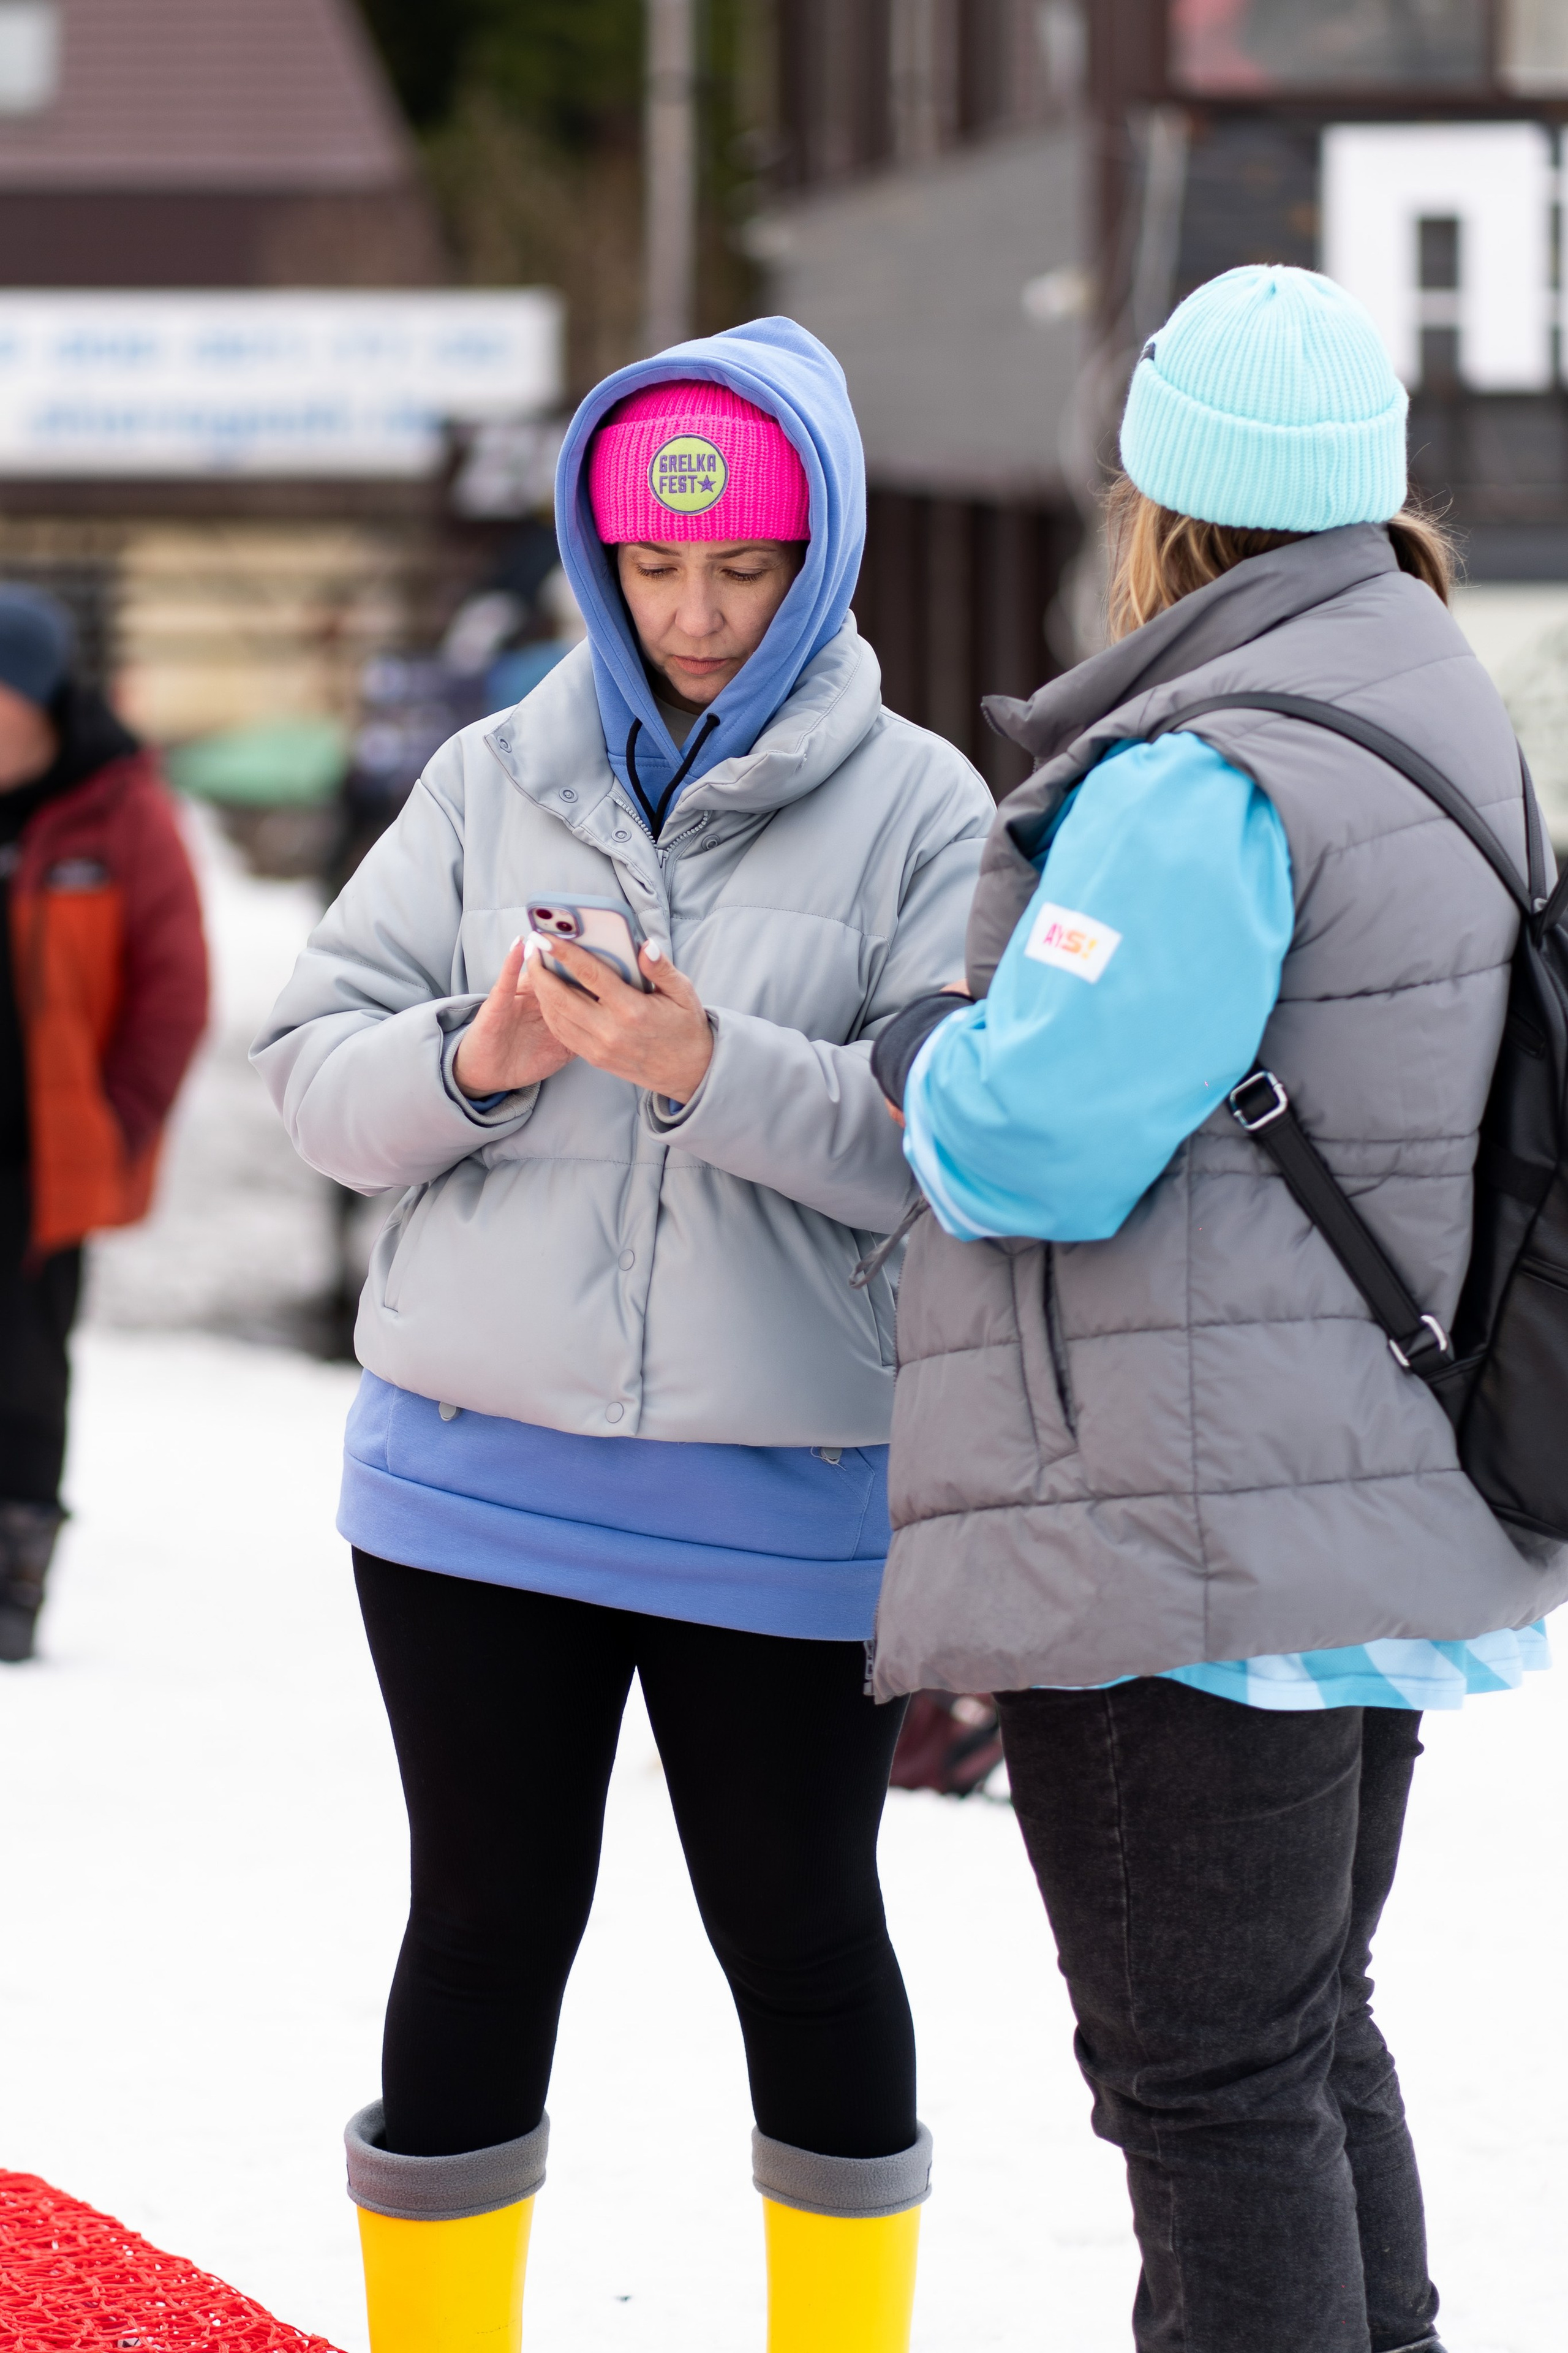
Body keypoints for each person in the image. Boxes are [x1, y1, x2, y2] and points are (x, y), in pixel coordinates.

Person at [252, 318, 993, 2352]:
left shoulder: (928, 812)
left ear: (819, 553)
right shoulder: (490, 780)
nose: (690, 612)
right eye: (652, 566)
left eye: (740, 566)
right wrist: (475, 1052)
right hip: (468, 1488)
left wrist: (703, 1064)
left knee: (809, 1942)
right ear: (595, 556)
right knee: (482, 1935)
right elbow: (311, 1081)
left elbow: (946, 1152)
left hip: (789, 1497)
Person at [869, 266, 1568, 2352]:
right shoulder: (1443, 702)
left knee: (1207, 2089)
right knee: (1293, 2045)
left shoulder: (1208, 775)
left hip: (1193, 1544)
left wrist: (929, 1042)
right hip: (1366, 1502)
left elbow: (1032, 1140)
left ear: (1158, 501)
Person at [0, 587, 206, 1663]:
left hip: (41, 1152)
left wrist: (122, 1123)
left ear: (43, 702)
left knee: (25, 1372)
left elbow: (173, 987)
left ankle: (12, 1582)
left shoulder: (113, 808)